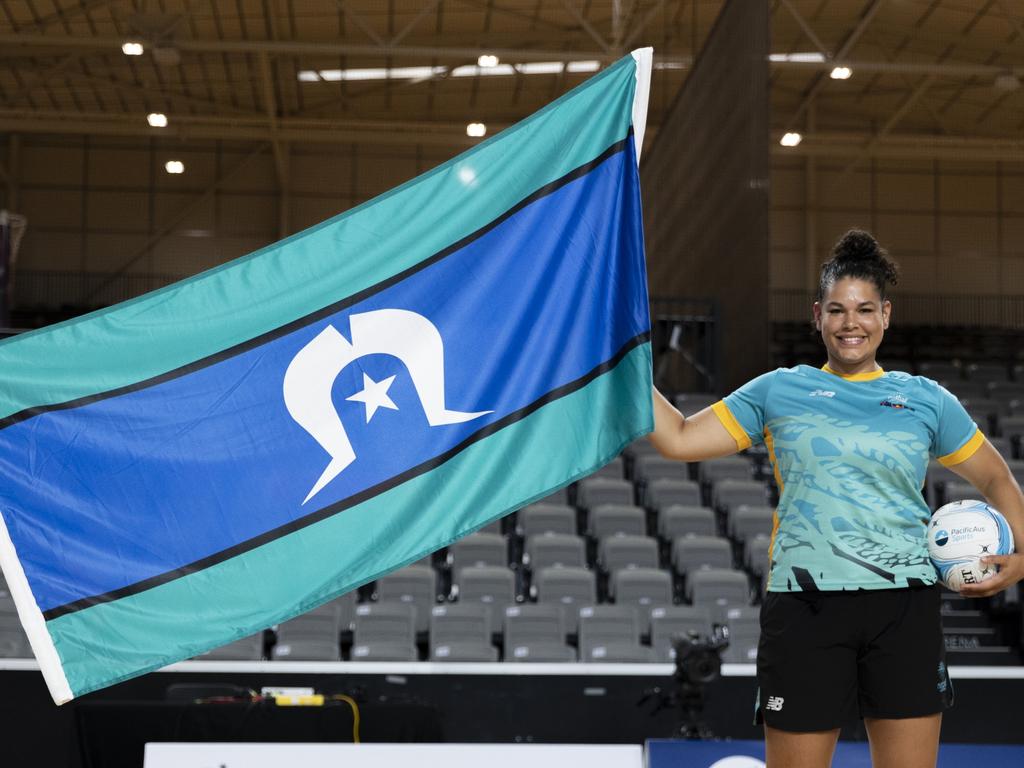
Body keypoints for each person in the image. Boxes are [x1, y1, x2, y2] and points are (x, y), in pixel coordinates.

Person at [647, 229, 1024, 768]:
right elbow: (679, 438)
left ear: (886, 315)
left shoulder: (925, 399)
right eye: (838, 310)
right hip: (805, 607)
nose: (852, 323)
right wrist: (628, 364)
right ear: (817, 315)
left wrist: (1021, 557)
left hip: (904, 607)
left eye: (866, 309)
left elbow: (997, 478)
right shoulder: (778, 390)